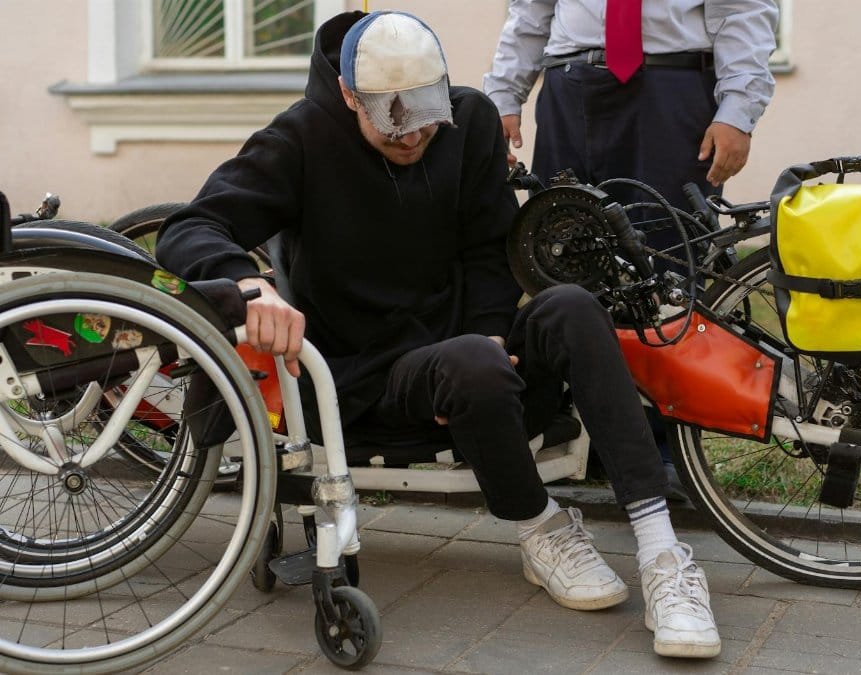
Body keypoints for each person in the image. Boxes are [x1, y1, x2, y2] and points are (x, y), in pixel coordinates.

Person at [157, 10, 721, 659]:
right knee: (472, 367)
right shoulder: (302, 137)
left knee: (572, 306)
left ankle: (663, 555)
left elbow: (488, 250)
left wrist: (487, 332)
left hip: (479, 353)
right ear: (349, 97)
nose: (413, 137)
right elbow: (189, 227)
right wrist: (246, 284)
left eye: (426, 120)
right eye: (393, 125)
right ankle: (541, 527)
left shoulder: (470, 120)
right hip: (374, 378)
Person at [483, 0, 779, 497]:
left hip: (671, 89)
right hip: (569, 90)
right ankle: (577, 436)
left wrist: (738, 110)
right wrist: (504, 95)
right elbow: (531, 11)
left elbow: (742, 10)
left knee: (665, 272)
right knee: (563, 266)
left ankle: (661, 450)